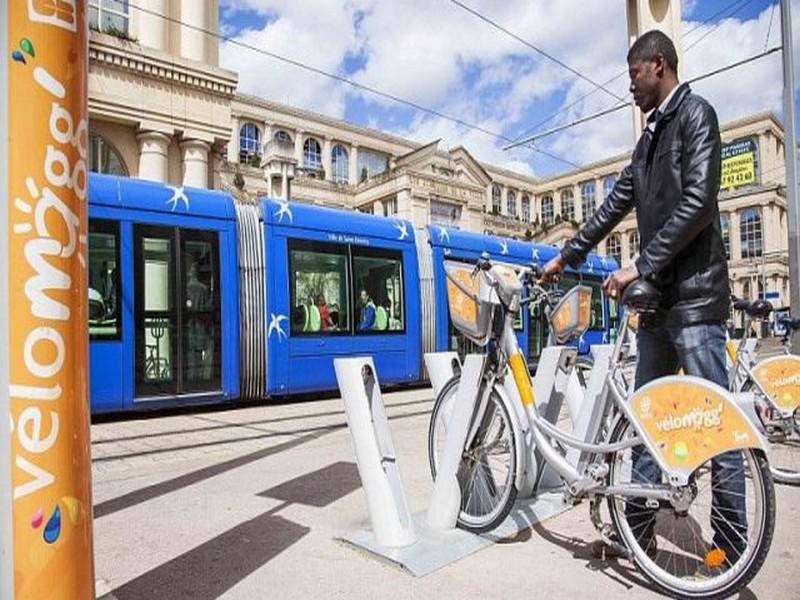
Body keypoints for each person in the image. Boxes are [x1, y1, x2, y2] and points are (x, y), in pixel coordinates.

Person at [541, 31, 744, 564]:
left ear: (658, 64)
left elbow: (700, 202)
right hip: (657, 306)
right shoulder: (648, 141)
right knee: (646, 419)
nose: (629, 86)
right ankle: (636, 530)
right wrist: (567, 257)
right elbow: (611, 208)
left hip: (697, 300)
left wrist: (637, 265)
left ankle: (735, 541)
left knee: (712, 420)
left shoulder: (697, 116)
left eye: (633, 74)